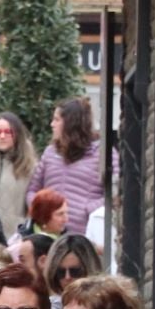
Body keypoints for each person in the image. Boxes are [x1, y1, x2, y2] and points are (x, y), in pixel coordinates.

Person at [27, 98, 108, 232]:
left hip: (84, 234)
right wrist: (39, 209)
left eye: (57, 120)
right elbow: (33, 190)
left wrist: (88, 209)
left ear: (71, 123)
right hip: (50, 235)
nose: (52, 124)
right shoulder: (50, 152)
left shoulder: (102, 154)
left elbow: (115, 194)